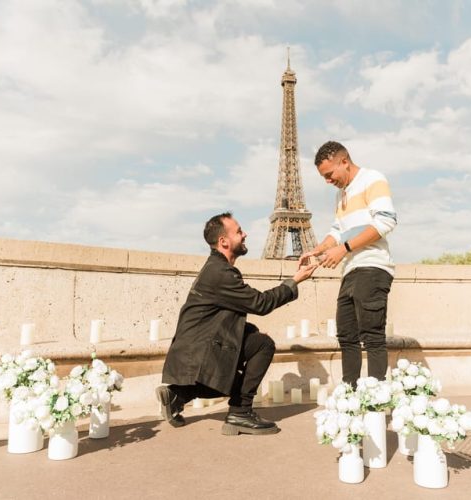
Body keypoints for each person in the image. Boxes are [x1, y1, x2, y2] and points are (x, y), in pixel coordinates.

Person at [156, 212, 317, 435]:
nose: (245, 234)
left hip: (196, 348)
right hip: (199, 354)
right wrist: (295, 280)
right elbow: (261, 303)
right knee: (263, 345)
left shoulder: (217, 268)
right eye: (239, 231)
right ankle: (239, 412)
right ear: (224, 241)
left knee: (255, 339)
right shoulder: (220, 273)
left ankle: (178, 395)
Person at [300, 141, 397, 385]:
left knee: (372, 336)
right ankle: (350, 399)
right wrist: (318, 250)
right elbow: (337, 231)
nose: (328, 181)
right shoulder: (340, 195)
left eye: (329, 174)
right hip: (351, 270)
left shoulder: (373, 179)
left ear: (344, 161)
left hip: (373, 267)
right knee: (346, 336)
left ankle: (375, 401)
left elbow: (385, 223)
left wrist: (342, 250)